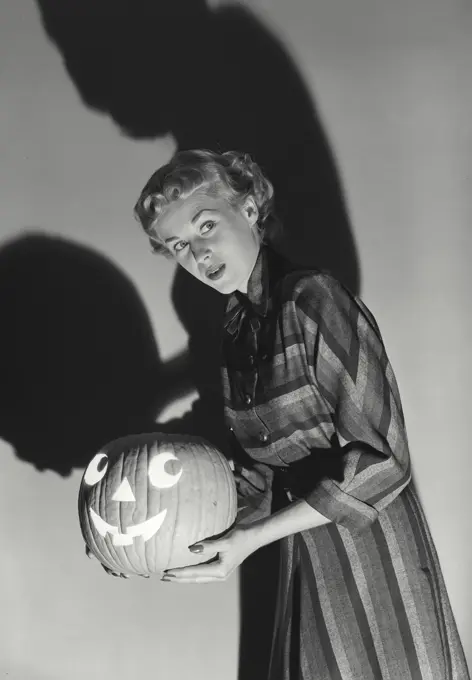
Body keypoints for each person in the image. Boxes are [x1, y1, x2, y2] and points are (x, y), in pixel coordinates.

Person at [133, 149, 469, 680]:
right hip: (307, 561)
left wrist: (254, 538)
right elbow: (260, 473)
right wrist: (145, 538)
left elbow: (384, 464)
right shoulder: (237, 329)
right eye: (179, 246)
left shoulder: (314, 299)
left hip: (377, 563)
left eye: (205, 226)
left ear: (248, 209)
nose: (198, 252)